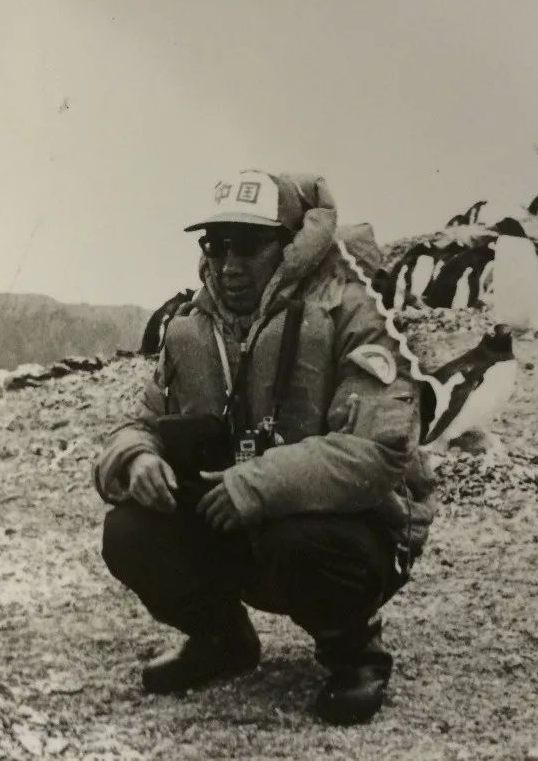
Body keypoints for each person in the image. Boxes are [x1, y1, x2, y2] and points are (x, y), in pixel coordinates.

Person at [92, 170, 437, 725]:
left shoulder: (352, 311)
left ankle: (354, 652)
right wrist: (137, 458)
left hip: (347, 531)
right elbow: (141, 422)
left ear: (294, 245)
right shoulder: (190, 328)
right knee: (130, 531)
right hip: (238, 521)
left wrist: (258, 484)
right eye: (216, 244)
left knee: (301, 537)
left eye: (249, 245)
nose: (229, 263)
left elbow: (380, 453)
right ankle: (222, 639)